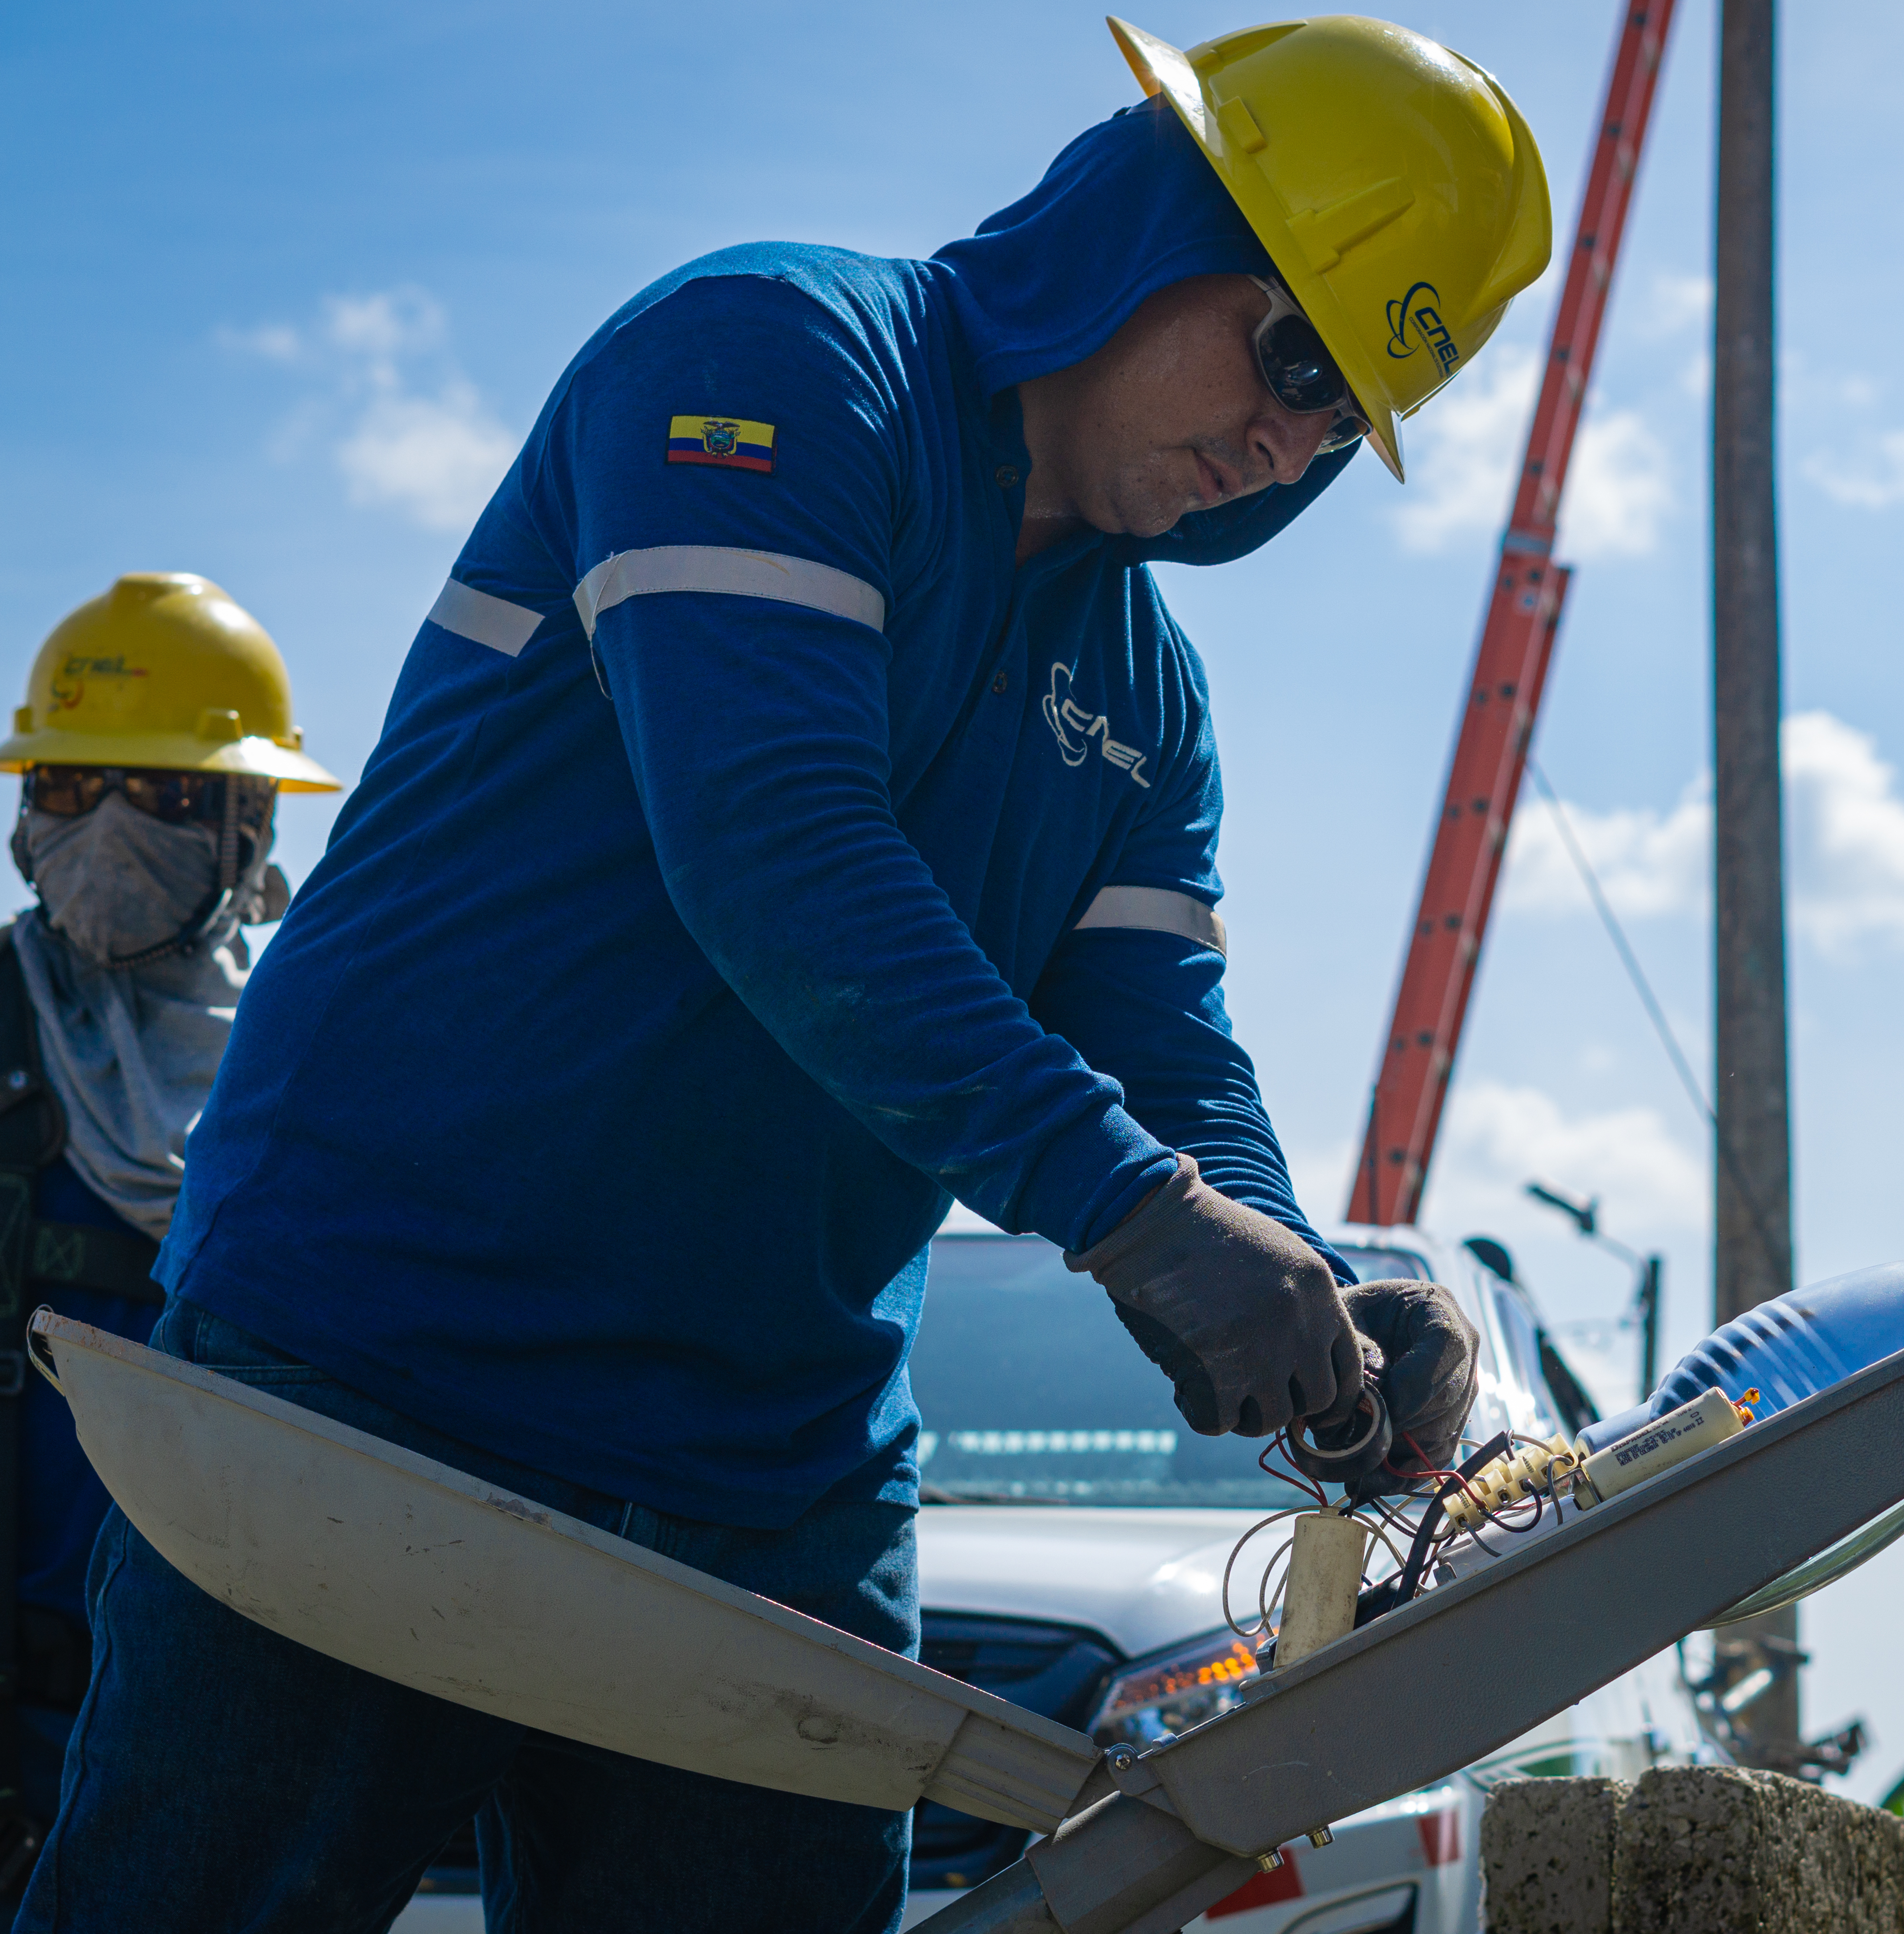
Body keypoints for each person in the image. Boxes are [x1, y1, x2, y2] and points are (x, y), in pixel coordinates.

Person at [19, 15, 1549, 1934]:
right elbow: (777, 854)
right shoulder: (767, 367)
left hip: (768, 1469)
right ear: (1153, 226)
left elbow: (1165, 1043)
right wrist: (1142, 1219)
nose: (1289, 436)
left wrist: (1286, 1262)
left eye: (1345, 422)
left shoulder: (1146, 698)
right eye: (1299, 351)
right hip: (379, 1377)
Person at [0, 574, 334, 1895]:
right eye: (71, 792)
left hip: (257, 1691)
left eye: (170, 794)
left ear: (251, 828)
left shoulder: (321, 1056)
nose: (111, 831)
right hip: (32, 1706)